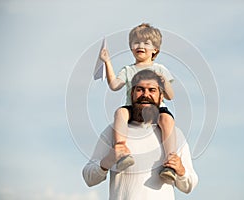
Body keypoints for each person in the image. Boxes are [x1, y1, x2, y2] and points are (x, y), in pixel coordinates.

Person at [83, 70, 198, 200]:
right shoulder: (114, 131)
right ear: (131, 94)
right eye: (140, 90)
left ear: (161, 97)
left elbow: (189, 185)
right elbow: (89, 178)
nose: (145, 95)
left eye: (152, 90)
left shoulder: (173, 134)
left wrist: (181, 170)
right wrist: (108, 160)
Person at [100, 23, 176, 181]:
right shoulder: (128, 70)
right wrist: (107, 61)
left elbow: (170, 96)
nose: (140, 46)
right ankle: (121, 151)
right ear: (131, 47)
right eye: (136, 42)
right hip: (134, 109)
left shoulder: (160, 69)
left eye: (146, 43)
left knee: (167, 119)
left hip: (156, 109)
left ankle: (170, 161)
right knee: (120, 112)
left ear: (155, 49)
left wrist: (164, 82)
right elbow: (114, 85)